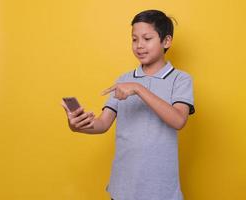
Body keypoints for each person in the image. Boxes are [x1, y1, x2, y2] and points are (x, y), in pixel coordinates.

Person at [62, 9, 195, 200]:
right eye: (134, 39)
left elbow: (178, 120)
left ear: (166, 41)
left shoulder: (180, 79)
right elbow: (102, 124)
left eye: (147, 38)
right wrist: (77, 125)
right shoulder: (124, 80)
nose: (139, 45)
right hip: (123, 188)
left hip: (161, 190)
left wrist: (139, 89)